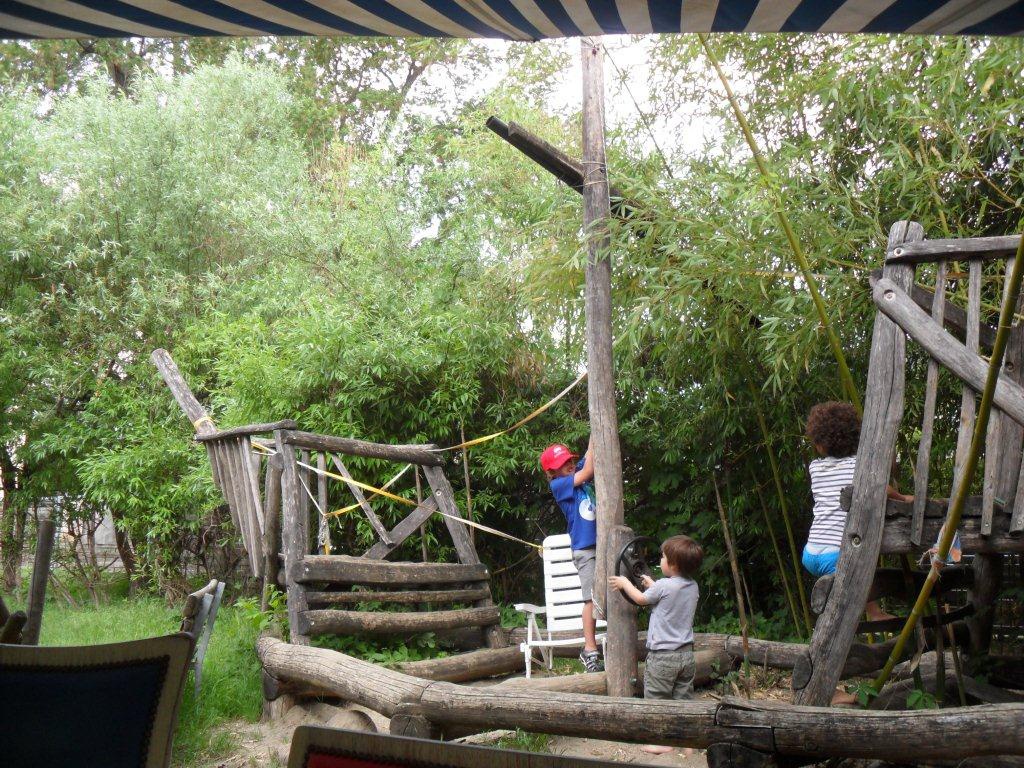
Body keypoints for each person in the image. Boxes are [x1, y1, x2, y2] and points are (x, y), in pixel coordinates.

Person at [802, 401, 911, 624]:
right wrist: (903, 498)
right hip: (835, 555)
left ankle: (844, 613)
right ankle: (874, 612)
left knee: (844, 579)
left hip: (810, 553)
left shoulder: (815, 468)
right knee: (863, 562)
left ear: (819, 443)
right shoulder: (858, 467)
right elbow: (881, 489)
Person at [609, 534, 703, 756]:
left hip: (662, 657)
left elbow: (641, 599)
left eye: (663, 557)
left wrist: (625, 583)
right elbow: (669, 596)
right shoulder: (692, 586)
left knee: (657, 699)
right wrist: (652, 585)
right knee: (683, 699)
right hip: (686, 655)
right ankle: (688, 742)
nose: (660, 560)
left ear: (673, 564)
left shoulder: (662, 586)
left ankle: (661, 742)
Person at [540, 438, 601, 673]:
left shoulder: (575, 472)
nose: (569, 465)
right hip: (584, 549)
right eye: (562, 464)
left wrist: (595, 433)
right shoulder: (560, 485)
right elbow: (588, 470)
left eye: (569, 460)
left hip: (602, 545)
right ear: (552, 472)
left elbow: (589, 454)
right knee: (590, 599)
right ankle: (589, 649)